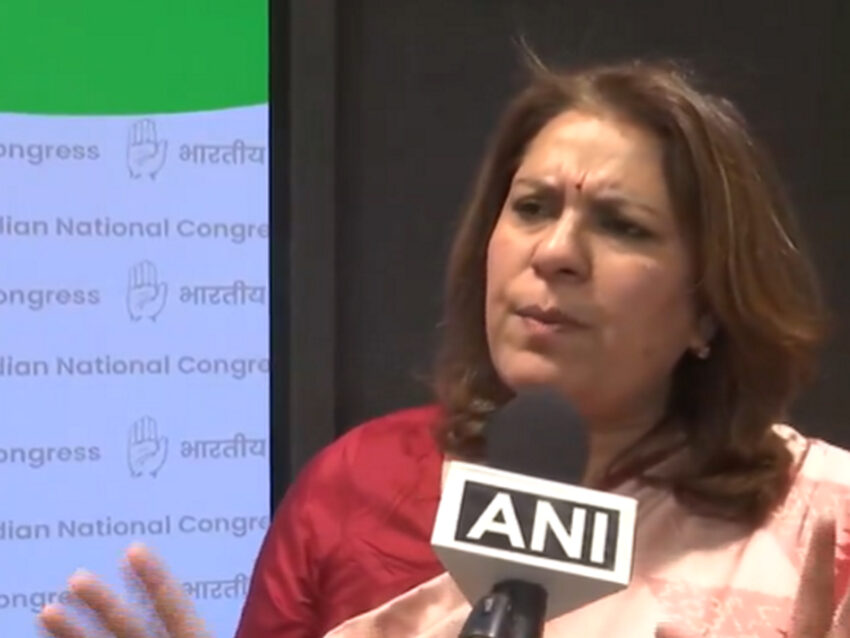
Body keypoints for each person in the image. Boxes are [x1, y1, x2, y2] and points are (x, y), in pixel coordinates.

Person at [39, 57, 850, 637]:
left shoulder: (825, 524)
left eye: (622, 226)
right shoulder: (360, 490)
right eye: (532, 207)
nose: (556, 252)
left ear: (709, 307)